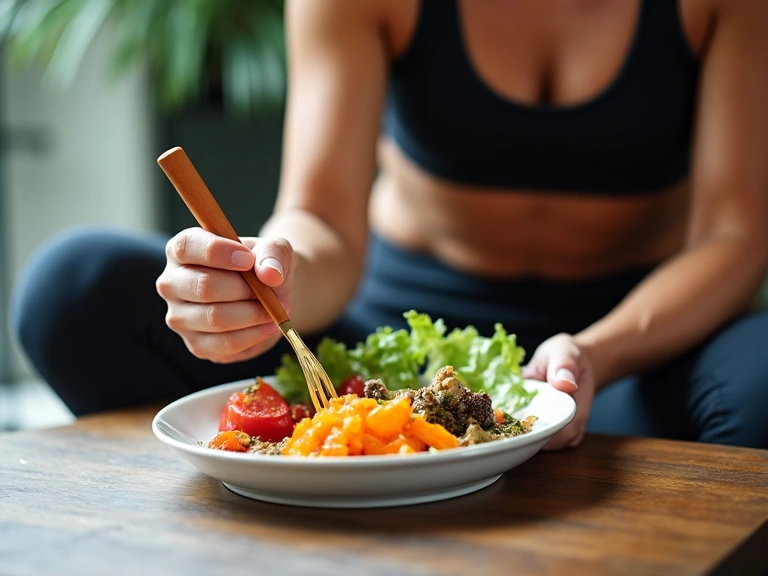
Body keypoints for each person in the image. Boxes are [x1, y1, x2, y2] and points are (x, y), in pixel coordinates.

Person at [11, 0, 768, 449]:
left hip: (632, 355)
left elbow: (733, 238)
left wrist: (591, 356)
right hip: (388, 344)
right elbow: (323, 216)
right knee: (72, 290)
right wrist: (275, 282)